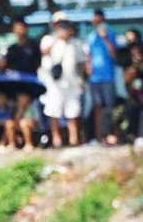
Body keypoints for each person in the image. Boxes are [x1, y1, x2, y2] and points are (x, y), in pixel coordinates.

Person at [38, 16, 85, 148]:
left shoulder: (75, 42)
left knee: (73, 112)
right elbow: (44, 51)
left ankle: (73, 139)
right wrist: (58, 38)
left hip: (72, 82)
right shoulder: (48, 39)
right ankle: (56, 139)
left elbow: (81, 64)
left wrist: (82, 79)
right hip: (54, 84)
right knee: (54, 112)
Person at [1, 19, 40, 147]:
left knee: (27, 115)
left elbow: (38, 63)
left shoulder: (34, 45)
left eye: (22, 27)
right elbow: (5, 66)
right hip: (16, 86)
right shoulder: (11, 49)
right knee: (13, 116)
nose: (20, 30)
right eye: (17, 28)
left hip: (32, 85)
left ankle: (28, 142)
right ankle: (9, 142)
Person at [85, 10, 120, 146]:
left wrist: (105, 38)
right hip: (94, 78)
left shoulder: (110, 33)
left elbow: (114, 55)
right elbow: (88, 54)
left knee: (110, 107)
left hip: (108, 77)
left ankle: (112, 136)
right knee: (97, 108)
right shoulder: (90, 36)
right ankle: (99, 137)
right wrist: (88, 67)